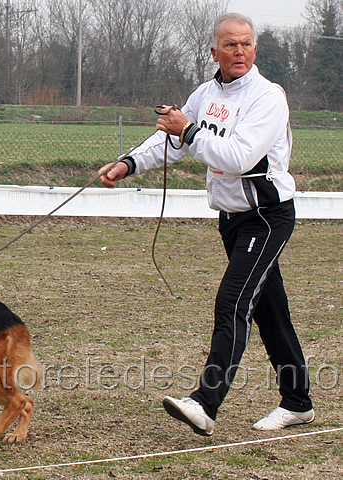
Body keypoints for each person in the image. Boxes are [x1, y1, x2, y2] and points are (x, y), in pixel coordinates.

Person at [98, 13, 314, 435]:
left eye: (247, 44)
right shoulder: (205, 93)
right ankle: (298, 402)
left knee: (233, 303)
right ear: (214, 52)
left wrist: (190, 130)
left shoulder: (268, 97)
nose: (239, 52)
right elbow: (171, 141)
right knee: (270, 311)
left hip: (267, 219)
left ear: (255, 48)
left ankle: (204, 402)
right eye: (230, 45)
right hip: (231, 221)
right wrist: (128, 164)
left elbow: (238, 158)